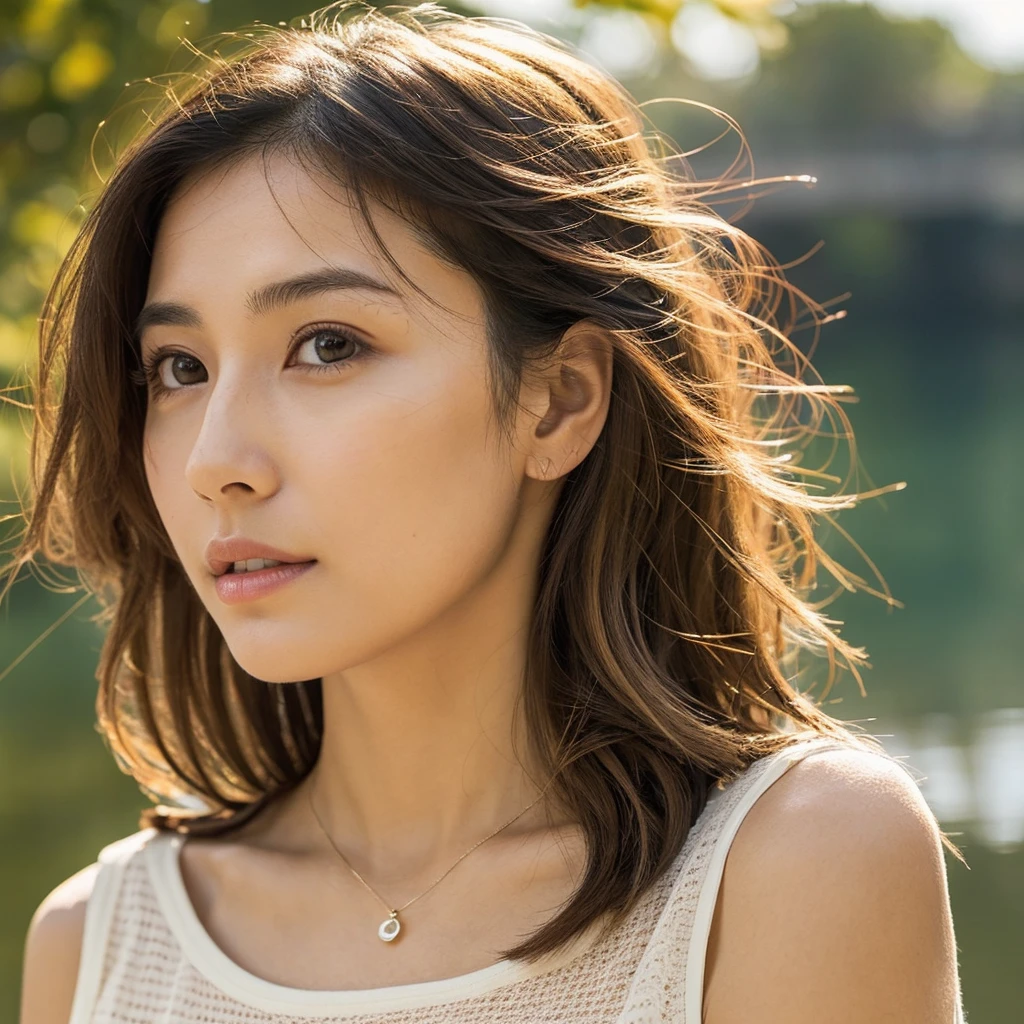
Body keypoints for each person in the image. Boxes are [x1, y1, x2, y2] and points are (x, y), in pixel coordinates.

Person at [13, 3, 967, 1022]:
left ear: (558, 399)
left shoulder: (792, 864)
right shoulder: (98, 945)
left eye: (327, 344)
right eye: (180, 367)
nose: (215, 462)